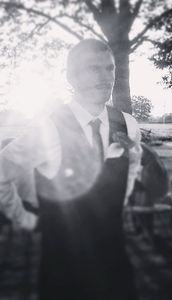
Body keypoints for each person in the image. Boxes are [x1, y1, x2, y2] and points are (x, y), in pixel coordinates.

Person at [0, 39, 142, 300]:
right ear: (71, 77)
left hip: (116, 267)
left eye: (109, 68)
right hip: (65, 273)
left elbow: (132, 164)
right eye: (93, 69)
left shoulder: (128, 124)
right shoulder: (47, 127)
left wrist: (119, 201)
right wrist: (24, 219)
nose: (105, 77)